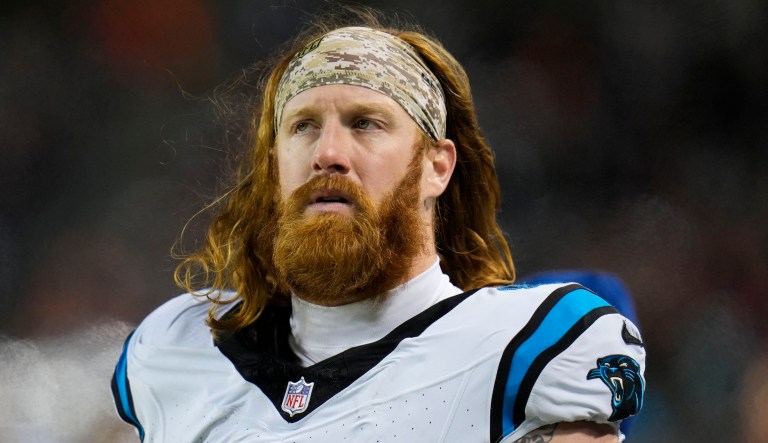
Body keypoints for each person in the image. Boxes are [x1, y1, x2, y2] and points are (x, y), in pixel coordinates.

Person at [112, 10, 646, 443]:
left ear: (437, 166)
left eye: (365, 123)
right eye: (303, 127)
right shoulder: (175, 347)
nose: (327, 154)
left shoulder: (529, 345)